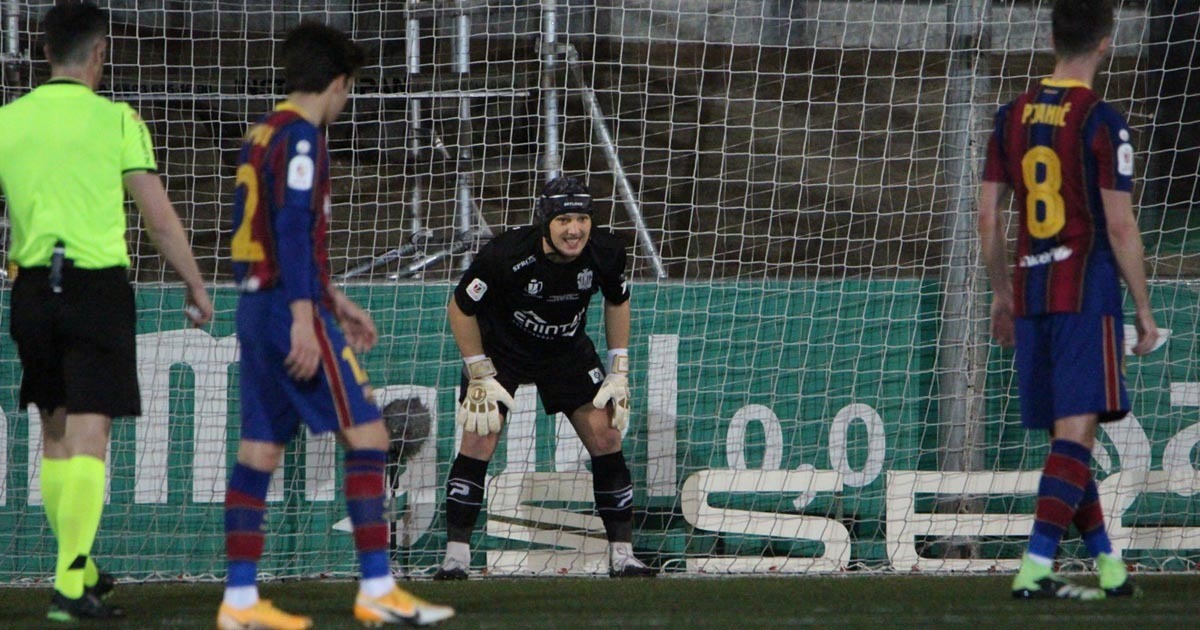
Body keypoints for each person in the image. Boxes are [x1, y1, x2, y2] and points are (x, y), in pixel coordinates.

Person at [217, 21, 454, 630]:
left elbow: (270, 232)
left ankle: (240, 601)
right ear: (339, 83)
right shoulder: (301, 139)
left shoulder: (261, 131)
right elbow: (293, 229)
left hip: (255, 303)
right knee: (370, 439)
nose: (347, 102)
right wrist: (307, 314)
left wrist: (334, 297)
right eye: (350, 90)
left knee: (260, 449)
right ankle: (378, 588)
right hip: (286, 309)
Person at [0, 2, 214, 622]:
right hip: (96, 289)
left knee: (56, 431)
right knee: (91, 432)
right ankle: (70, 586)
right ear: (100, 53)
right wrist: (195, 284)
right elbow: (158, 216)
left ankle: (80, 564)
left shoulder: (8, 120)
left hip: (33, 290)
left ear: (44, 52)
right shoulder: (118, 120)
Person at [978, 0, 1156, 601]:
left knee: (1069, 438)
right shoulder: (1103, 121)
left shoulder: (1010, 116)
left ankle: (1109, 565)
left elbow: (986, 217)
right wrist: (1144, 309)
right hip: (1085, 292)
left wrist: (1003, 294)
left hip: (1031, 292)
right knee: (1075, 437)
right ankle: (1034, 565)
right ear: (1106, 42)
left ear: (1052, 37)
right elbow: (1121, 226)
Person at [433, 175, 657, 580]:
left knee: (607, 435)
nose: (575, 230)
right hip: (502, 352)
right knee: (479, 438)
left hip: (566, 350)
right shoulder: (505, 254)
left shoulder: (606, 252)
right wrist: (478, 372)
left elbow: (618, 300)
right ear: (545, 222)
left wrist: (619, 367)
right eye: (564, 220)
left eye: (583, 219)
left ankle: (623, 556)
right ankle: (456, 558)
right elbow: (460, 308)